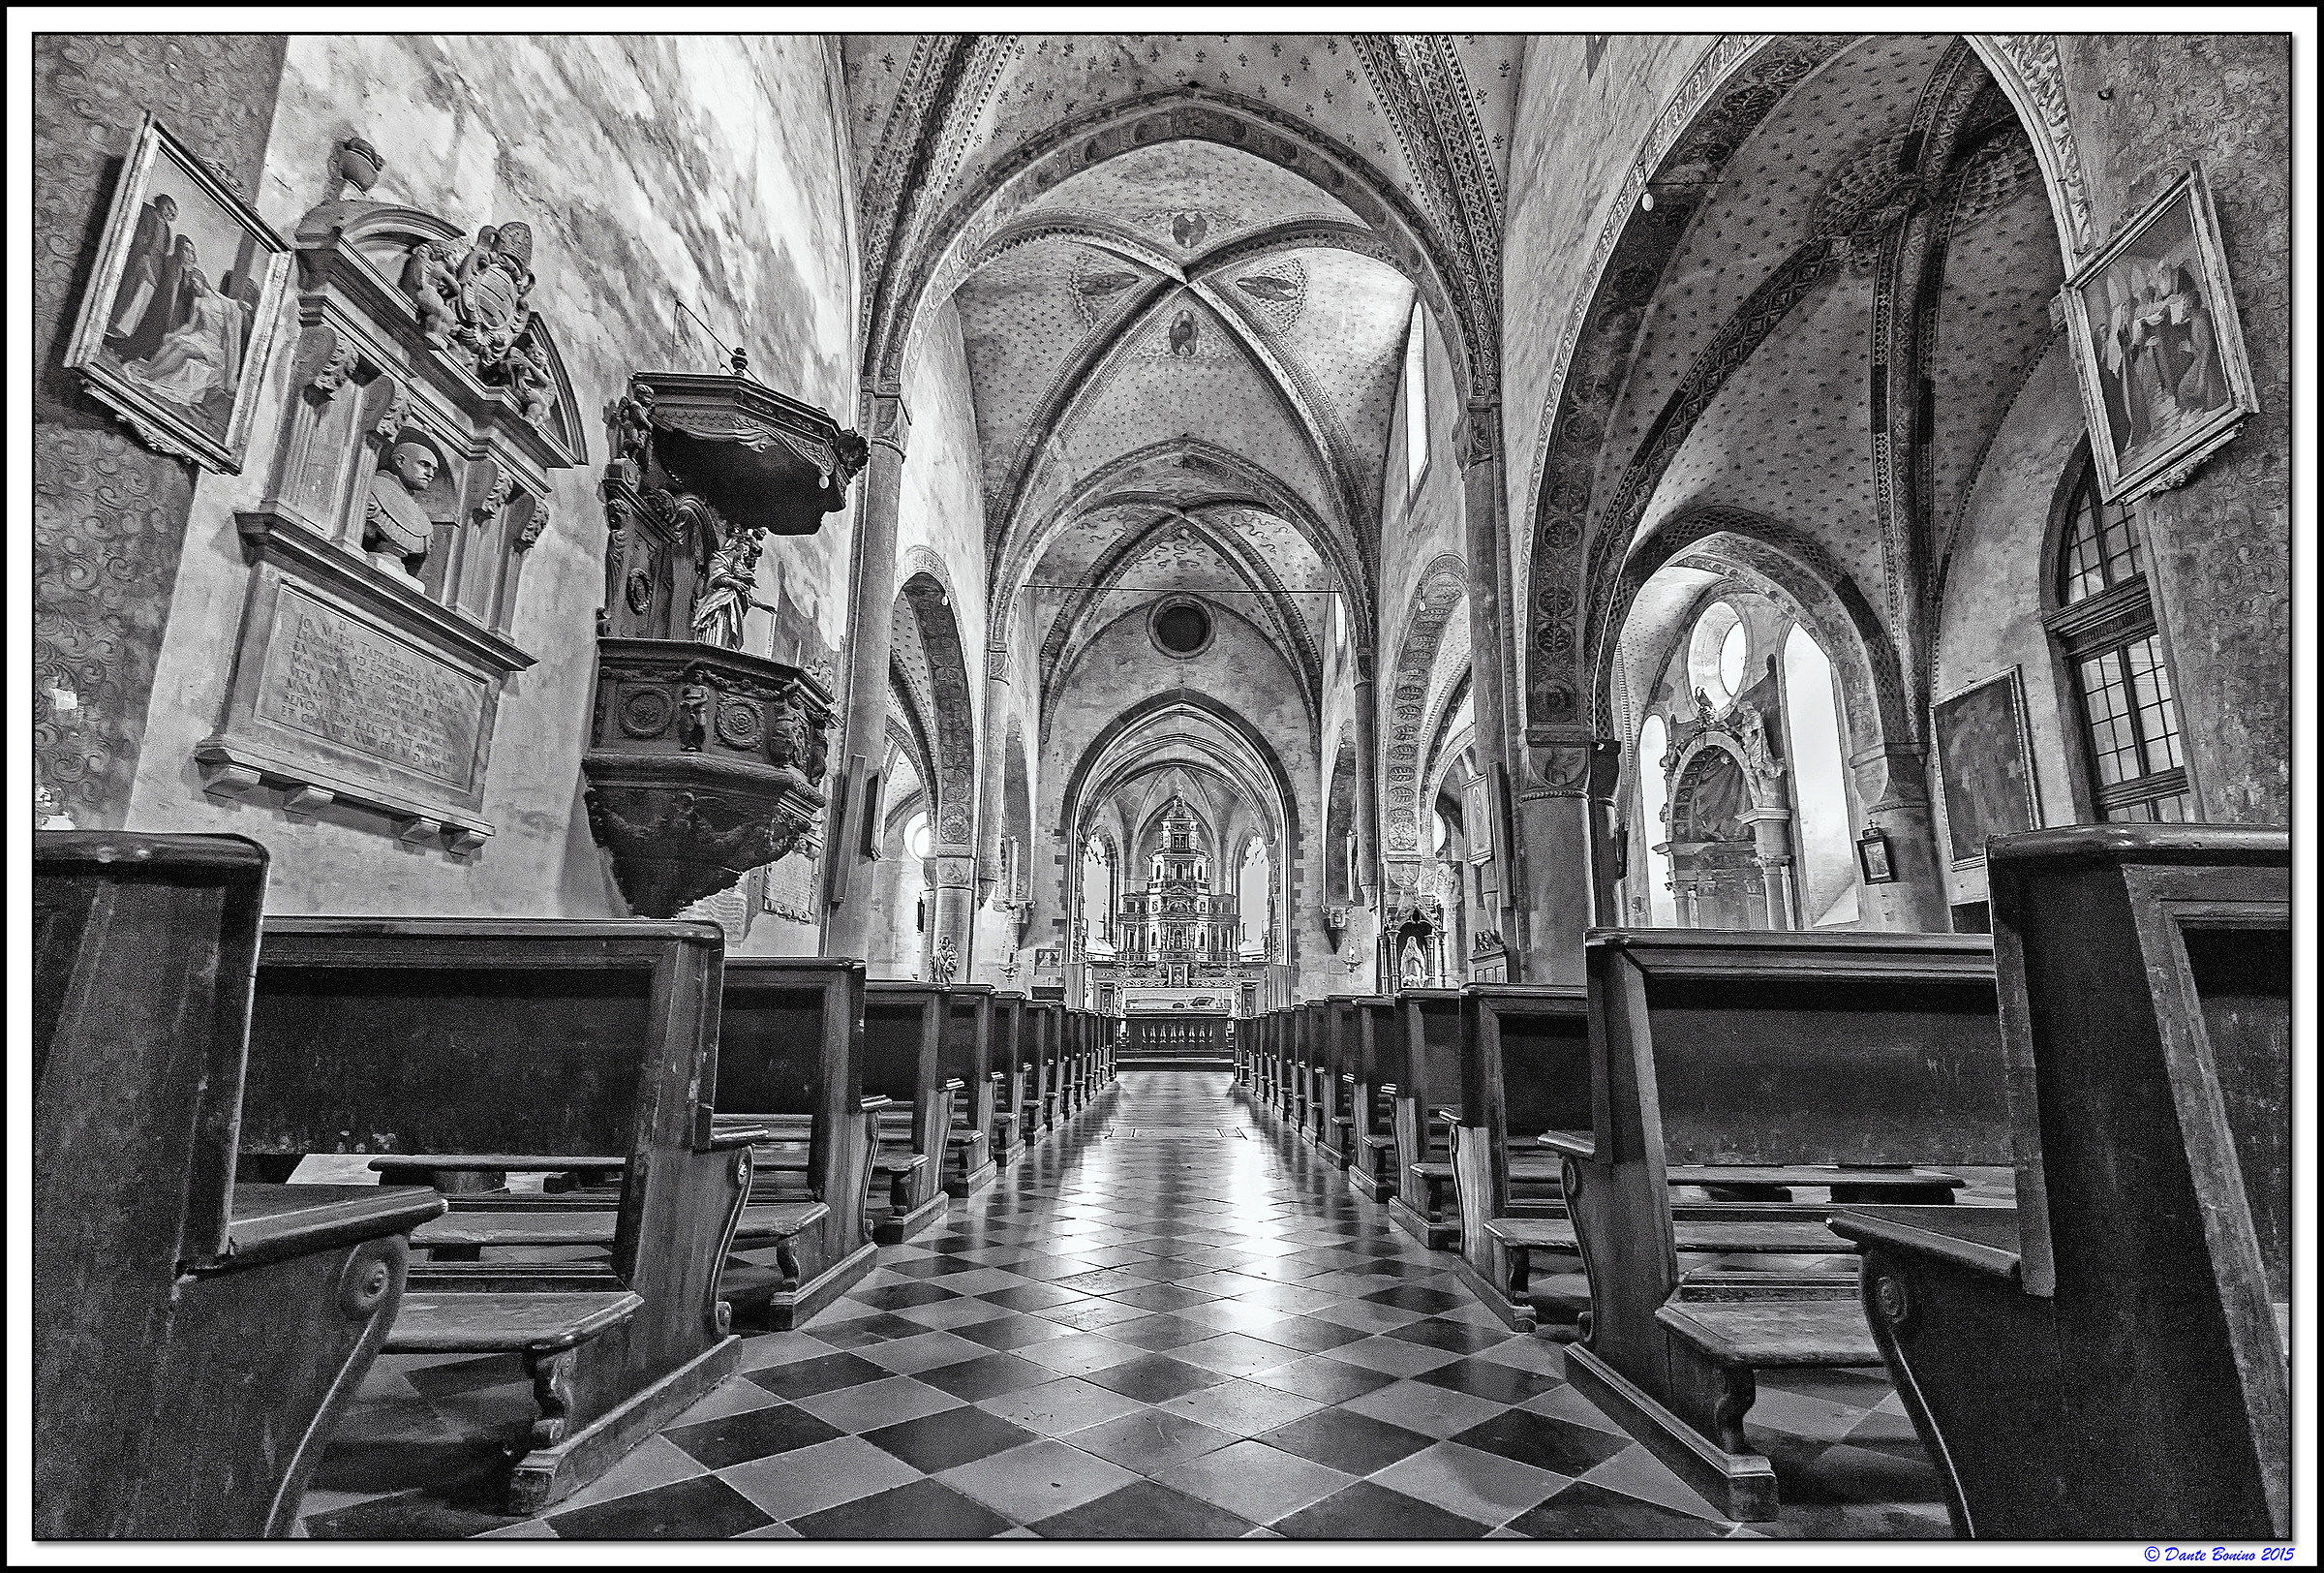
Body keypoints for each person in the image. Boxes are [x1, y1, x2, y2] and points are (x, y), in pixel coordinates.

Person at [120, 251, 243, 413]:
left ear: (203, 281)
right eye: (192, 283)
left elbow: (230, 339)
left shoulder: (224, 304)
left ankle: (150, 375)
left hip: (214, 347)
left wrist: (230, 374)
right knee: (175, 342)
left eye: (196, 282)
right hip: (201, 337)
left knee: (184, 348)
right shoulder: (198, 302)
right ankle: (149, 368)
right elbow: (190, 326)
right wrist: (174, 334)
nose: (194, 286)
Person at [105, 192, 180, 363]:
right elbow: (139, 237)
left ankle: (124, 332)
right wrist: (144, 257)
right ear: (161, 203)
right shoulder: (148, 213)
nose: (170, 214)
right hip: (140, 258)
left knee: (142, 300)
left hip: (155, 266)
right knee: (128, 290)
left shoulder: (167, 230)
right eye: (169, 209)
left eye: (173, 214)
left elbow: (163, 251)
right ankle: (112, 324)